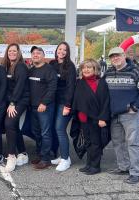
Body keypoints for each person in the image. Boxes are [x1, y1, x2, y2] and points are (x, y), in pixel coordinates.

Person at [105, 47, 139, 184]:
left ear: (124, 55)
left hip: (130, 114)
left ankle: (136, 173)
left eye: (117, 56)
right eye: (112, 57)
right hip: (114, 114)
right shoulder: (109, 72)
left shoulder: (136, 71)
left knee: (133, 143)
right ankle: (123, 167)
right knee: (117, 142)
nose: (115, 58)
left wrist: (135, 106)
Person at [73, 59, 110, 175]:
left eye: (89, 67)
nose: (86, 70)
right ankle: (89, 164)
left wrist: (103, 118)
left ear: (95, 69)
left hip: (96, 118)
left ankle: (95, 166)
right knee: (88, 142)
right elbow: (77, 100)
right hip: (83, 118)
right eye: (84, 67)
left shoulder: (101, 83)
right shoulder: (79, 82)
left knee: (96, 143)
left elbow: (105, 102)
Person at [28, 46, 57, 170]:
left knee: (45, 133)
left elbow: (52, 88)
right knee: (36, 132)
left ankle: (46, 159)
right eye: (33, 53)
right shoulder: (31, 70)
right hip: (33, 107)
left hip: (45, 107)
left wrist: (44, 103)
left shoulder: (49, 69)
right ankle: (40, 154)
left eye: (38, 53)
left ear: (43, 56)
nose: (36, 55)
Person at [2, 43, 30, 172]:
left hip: (20, 100)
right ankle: (23, 153)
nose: (12, 53)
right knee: (13, 125)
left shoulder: (20, 66)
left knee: (9, 123)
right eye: (10, 51)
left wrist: (12, 103)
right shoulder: (8, 66)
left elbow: (19, 86)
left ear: (18, 53)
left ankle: (11, 156)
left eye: (14, 51)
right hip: (11, 101)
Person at [49, 42, 76, 172]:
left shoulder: (70, 66)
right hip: (53, 102)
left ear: (67, 52)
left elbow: (71, 88)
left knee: (60, 129)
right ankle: (63, 156)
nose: (62, 51)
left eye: (65, 50)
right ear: (56, 50)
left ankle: (66, 159)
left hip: (64, 103)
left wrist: (67, 105)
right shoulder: (52, 64)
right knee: (55, 129)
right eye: (60, 49)